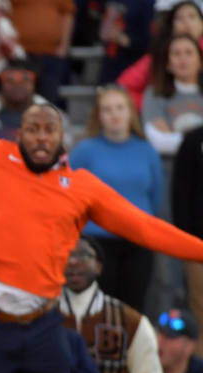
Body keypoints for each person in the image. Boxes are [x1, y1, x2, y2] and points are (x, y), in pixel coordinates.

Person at [0, 7, 203, 373]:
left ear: (64, 140)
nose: (40, 137)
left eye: (49, 130)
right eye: (32, 129)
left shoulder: (82, 187)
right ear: (19, 134)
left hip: (45, 326)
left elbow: (147, 228)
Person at [70, 85, 164, 312]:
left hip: (138, 242)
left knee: (133, 310)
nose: (114, 114)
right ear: (99, 116)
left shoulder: (147, 150)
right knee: (99, 310)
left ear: (130, 112)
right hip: (96, 244)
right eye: (107, 109)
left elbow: (156, 196)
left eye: (120, 108)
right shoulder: (84, 150)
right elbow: (69, 194)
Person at [61, 235, 165, 373]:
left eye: (84, 255)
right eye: (67, 255)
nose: (73, 262)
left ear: (99, 267)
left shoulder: (130, 321)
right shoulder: (42, 317)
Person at [118, 1, 203, 110]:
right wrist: (150, 105)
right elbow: (123, 87)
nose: (186, 23)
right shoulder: (158, 56)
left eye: (192, 17)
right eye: (179, 18)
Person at [143, 33, 203, 156]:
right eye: (176, 53)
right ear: (167, 64)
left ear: (200, 62)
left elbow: (170, 140)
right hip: (172, 169)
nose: (183, 58)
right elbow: (158, 141)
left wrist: (175, 137)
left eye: (189, 52)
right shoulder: (154, 94)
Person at [9, 0, 76, 106]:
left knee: (48, 101)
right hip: (20, 55)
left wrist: (63, 47)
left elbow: (67, 14)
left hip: (52, 55)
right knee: (18, 99)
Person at [174, 127, 203, 356]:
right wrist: (185, 240)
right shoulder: (193, 140)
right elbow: (180, 191)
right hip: (197, 243)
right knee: (200, 306)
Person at [157, 308, 203, 373]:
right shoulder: (146, 371)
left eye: (169, 337)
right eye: (160, 334)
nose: (160, 341)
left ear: (189, 346)